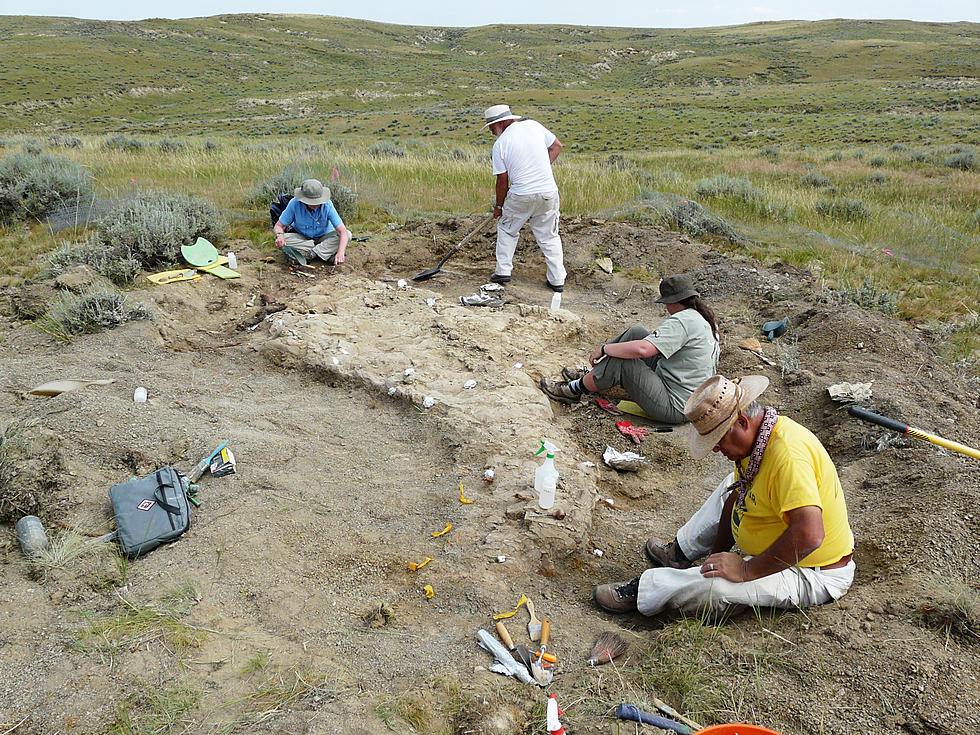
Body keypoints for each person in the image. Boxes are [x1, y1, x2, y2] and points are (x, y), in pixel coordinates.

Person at [592, 373, 856, 617]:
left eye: (719, 441)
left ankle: (643, 591)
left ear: (741, 422)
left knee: (718, 587)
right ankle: (680, 554)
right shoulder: (759, 441)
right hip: (785, 545)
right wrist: (715, 556)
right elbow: (737, 498)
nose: (717, 450)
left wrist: (746, 570)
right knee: (732, 485)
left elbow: (810, 535)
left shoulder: (788, 457)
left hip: (811, 571)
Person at [539, 275, 719, 424]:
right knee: (637, 332)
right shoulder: (699, 317)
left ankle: (573, 390)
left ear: (671, 302)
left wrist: (605, 349)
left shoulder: (683, 321)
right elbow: (644, 342)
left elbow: (643, 350)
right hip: (689, 395)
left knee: (623, 362)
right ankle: (593, 376)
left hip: (677, 406)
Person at [482, 104, 566, 292]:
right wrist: (541, 167)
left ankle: (503, 271)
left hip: (521, 194)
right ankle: (557, 280)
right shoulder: (534, 126)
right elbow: (557, 146)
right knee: (549, 236)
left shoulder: (501, 144)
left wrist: (499, 207)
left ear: (500, 124)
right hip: (548, 192)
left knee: (507, 228)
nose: (491, 132)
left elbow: (502, 181)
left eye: (491, 128)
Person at [272, 179, 350, 267]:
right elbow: (278, 226)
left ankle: (311, 254)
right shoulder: (294, 203)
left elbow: (342, 231)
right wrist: (280, 235)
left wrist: (340, 252)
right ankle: (325, 253)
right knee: (284, 240)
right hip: (303, 239)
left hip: (324, 237)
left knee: (348, 234)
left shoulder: (328, 205)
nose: (315, 205)